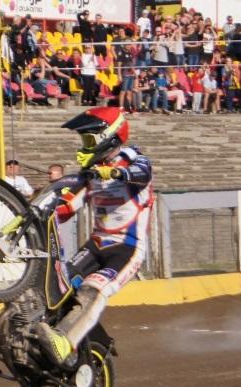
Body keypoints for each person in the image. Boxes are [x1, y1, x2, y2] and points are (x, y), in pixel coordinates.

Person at [34, 107, 153, 367]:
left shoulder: (132, 158)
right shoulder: (92, 172)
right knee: (58, 284)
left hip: (126, 249)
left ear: (108, 136)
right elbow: (67, 207)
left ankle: (64, 342)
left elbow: (144, 173)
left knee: (92, 290)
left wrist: (116, 173)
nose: (85, 145)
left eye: (89, 139)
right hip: (96, 246)